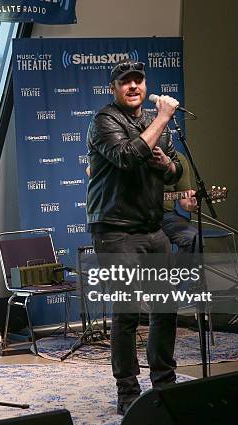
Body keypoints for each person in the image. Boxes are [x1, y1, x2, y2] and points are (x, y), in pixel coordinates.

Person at [86, 59, 182, 415]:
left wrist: (166, 165)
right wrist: (161, 118)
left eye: (138, 81)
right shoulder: (103, 121)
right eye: (125, 82)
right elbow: (126, 157)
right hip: (114, 230)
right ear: (114, 88)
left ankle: (165, 385)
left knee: (164, 310)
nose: (133, 87)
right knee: (127, 314)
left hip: (152, 229)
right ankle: (128, 393)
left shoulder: (158, 125)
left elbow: (176, 169)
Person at [161, 153, 198, 253]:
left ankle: (180, 269)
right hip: (134, 216)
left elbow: (185, 198)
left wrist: (190, 205)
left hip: (165, 216)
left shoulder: (178, 159)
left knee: (195, 239)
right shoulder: (132, 153)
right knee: (161, 244)